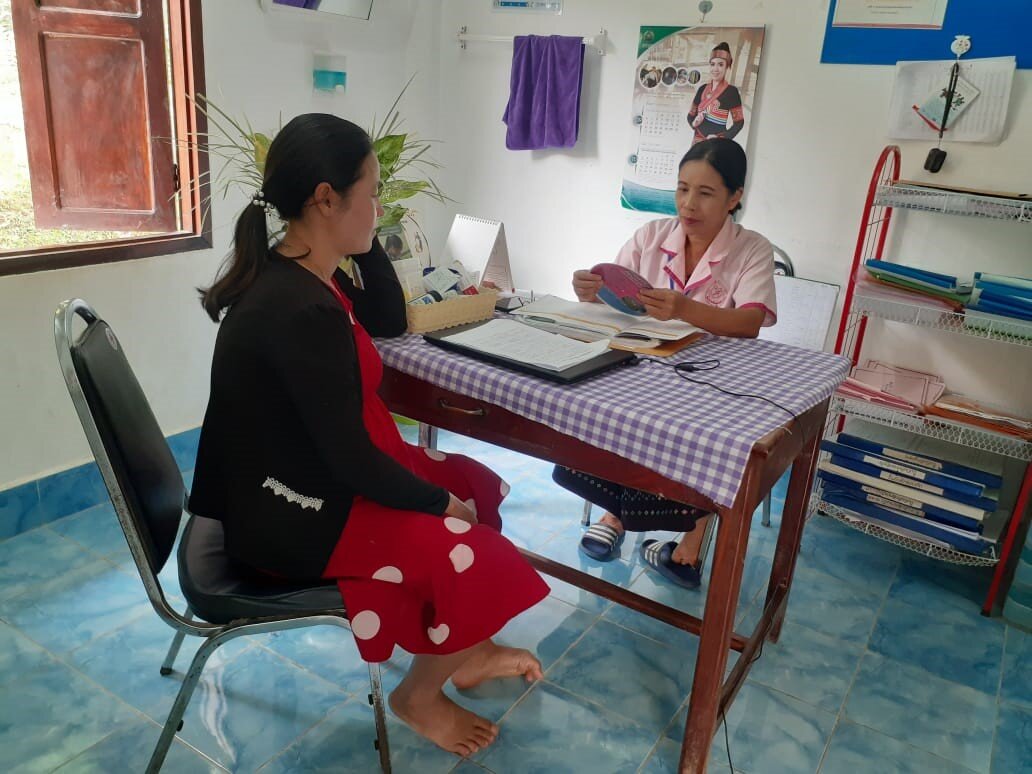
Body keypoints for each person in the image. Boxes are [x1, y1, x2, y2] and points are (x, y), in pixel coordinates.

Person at [189, 113, 550, 758]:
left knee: (474, 484)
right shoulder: (296, 309)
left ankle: (463, 651)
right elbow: (351, 461)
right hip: (292, 519)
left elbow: (387, 317)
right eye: (373, 191)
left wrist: (364, 235)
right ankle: (419, 694)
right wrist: (437, 506)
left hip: (305, 481)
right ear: (326, 199)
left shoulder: (305, 271)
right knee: (472, 540)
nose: (382, 205)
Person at [554, 138, 776, 588]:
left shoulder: (752, 249)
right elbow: (617, 299)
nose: (688, 204)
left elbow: (751, 322)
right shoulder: (651, 236)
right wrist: (589, 291)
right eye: (681, 189)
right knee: (613, 411)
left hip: (715, 375)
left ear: (735, 197)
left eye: (706, 193)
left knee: (713, 438)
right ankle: (615, 515)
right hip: (647, 365)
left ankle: (689, 548)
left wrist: (684, 310)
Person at [687, 42, 745, 145]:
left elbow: (739, 123)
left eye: (721, 64)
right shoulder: (702, 89)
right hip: (697, 142)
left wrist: (721, 137)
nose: (715, 69)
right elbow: (690, 115)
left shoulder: (732, 92)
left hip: (717, 143)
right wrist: (694, 123)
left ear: (727, 66)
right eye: (713, 64)